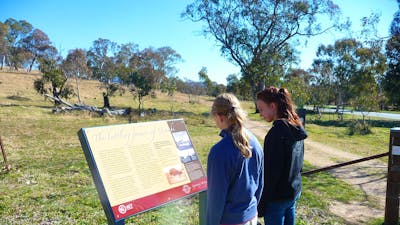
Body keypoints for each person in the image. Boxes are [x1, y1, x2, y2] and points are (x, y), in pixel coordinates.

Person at [207, 93, 264, 225]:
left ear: (220, 117)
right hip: (252, 216)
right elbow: (260, 184)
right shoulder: (254, 142)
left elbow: (216, 199)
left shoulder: (218, 152)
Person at [256, 87, 307, 225]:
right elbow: (299, 163)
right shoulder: (296, 126)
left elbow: (271, 174)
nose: (260, 114)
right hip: (293, 193)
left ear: (273, 106)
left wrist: (261, 204)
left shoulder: (275, 134)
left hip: (276, 200)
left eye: (261, 109)